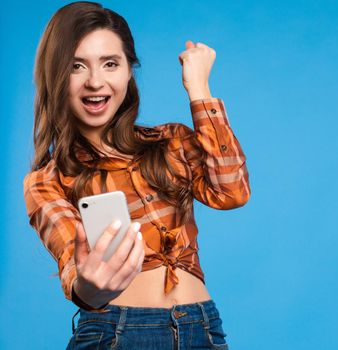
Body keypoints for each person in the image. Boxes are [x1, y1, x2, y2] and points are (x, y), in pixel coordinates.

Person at [22, 1, 250, 349]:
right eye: (76, 66)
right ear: (56, 76)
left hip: (201, 326)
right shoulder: (47, 181)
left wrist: (199, 89)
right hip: (115, 332)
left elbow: (232, 191)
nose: (95, 81)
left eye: (110, 64)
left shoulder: (171, 141)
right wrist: (89, 285)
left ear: (129, 70)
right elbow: (75, 269)